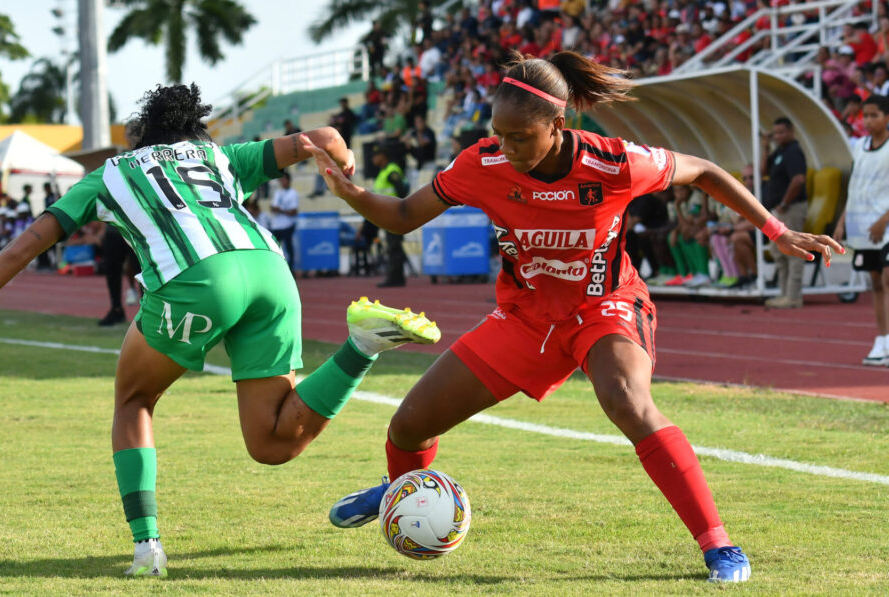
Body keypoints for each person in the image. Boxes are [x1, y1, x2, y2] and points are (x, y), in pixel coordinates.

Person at [304, 52, 843, 583]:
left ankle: (719, 544)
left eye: (520, 137)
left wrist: (777, 230)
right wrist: (351, 193)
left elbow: (703, 170)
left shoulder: (616, 162)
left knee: (628, 402)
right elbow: (401, 216)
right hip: (525, 317)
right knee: (408, 425)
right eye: (499, 133)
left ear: (557, 126)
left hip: (603, 303)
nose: (506, 147)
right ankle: (402, 490)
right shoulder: (482, 163)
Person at [0, 83, 442, 578]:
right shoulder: (217, 155)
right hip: (271, 272)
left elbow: (24, 246)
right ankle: (362, 344)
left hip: (197, 279)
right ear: (191, 130)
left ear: (140, 137)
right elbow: (321, 135)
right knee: (273, 443)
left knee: (134, 398)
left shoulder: (109, 175)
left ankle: (147, 545)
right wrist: (342, 167)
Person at [834, 94, 889, 365]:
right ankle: (882, 339)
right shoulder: (858, 147)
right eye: (865, 115)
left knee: (888, 280)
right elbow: (854, 186)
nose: (868, 120)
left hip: (885, 225)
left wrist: (884, 220)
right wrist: (843, 220)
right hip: (863, 225)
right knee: (876, 283)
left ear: (887, 117)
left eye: (874, 115)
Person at [761, 117, 809, 308]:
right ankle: (784, 294)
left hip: (792, 208)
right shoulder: (779, 152)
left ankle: (794, 296)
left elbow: (798, 180)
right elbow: (763, 171)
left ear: (791, 131)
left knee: (793, 252)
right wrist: (765, 146)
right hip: (779, 210)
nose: (778, 136)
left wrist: (783, 203)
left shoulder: (794, 152)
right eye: (776, 133)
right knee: (778, 252)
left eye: (782, 132)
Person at [371, 144, 409, 288]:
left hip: (394, 214)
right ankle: (395, 276)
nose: (373, 158)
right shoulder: (382, 172)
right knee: (392, 246)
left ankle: (396, 278)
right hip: (386, 215)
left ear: (383, 156)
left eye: (376, 155)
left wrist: (397, 208)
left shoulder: (391, 170)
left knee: (394, 246)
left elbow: (402, 190)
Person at [270, 171, 299, 269]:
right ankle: (277, 268)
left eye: (283, 179)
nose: (282, 182)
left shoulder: (293, 193)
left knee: (288, 248)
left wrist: (280, 210)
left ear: (288, 180)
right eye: (281, 180)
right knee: (274, 248)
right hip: (277, 225)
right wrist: (278, 210)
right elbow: (273, 208)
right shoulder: (277, 193)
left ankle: (291, 269)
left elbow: (294, 212)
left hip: (288, 225)